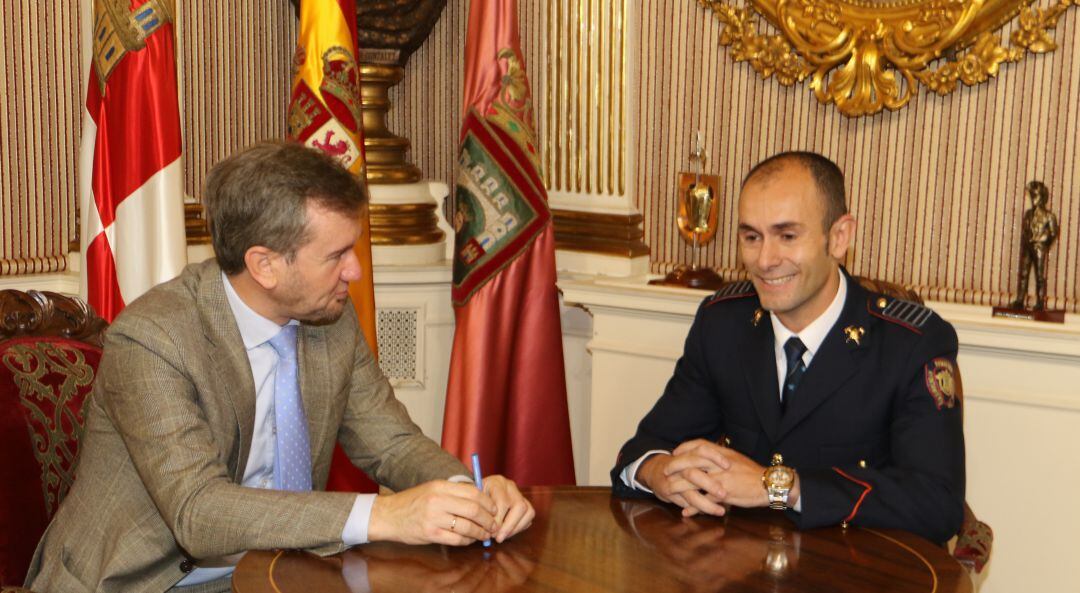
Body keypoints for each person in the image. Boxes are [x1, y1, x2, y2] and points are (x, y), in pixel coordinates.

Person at [25, 141, 534, 593]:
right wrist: (383, 514)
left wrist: (466, 494)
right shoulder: (155, 338)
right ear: (264, 265)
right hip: (149, 580)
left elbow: (392, 443)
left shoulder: (328, 316)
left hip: (277, 571)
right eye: (335, 256)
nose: (354, 272)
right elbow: (198, 513)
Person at [611, 151, 965, 544]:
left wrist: (779, 487)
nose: (765, 260)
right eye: (751, 237)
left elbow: (937, 504)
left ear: (839, 237)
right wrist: (658, 472)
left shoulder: (911, 344)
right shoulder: (724, 325)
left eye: (787, 236)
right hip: (738, 573)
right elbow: (643, 448)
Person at [1008, 180, 1059, 311]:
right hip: (1027, 247)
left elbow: (1053, 232)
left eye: (1035, 196)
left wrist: (1041, 242)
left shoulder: (1049, 216)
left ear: (1042, 198)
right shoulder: (1028, 214)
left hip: (1039, 247)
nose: (1033, 199)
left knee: (1039, 276)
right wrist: (1026, 242)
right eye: (1031, 196)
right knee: (1023, 274)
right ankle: (1020, 300)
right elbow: (1025, 230)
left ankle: (1040, 301)